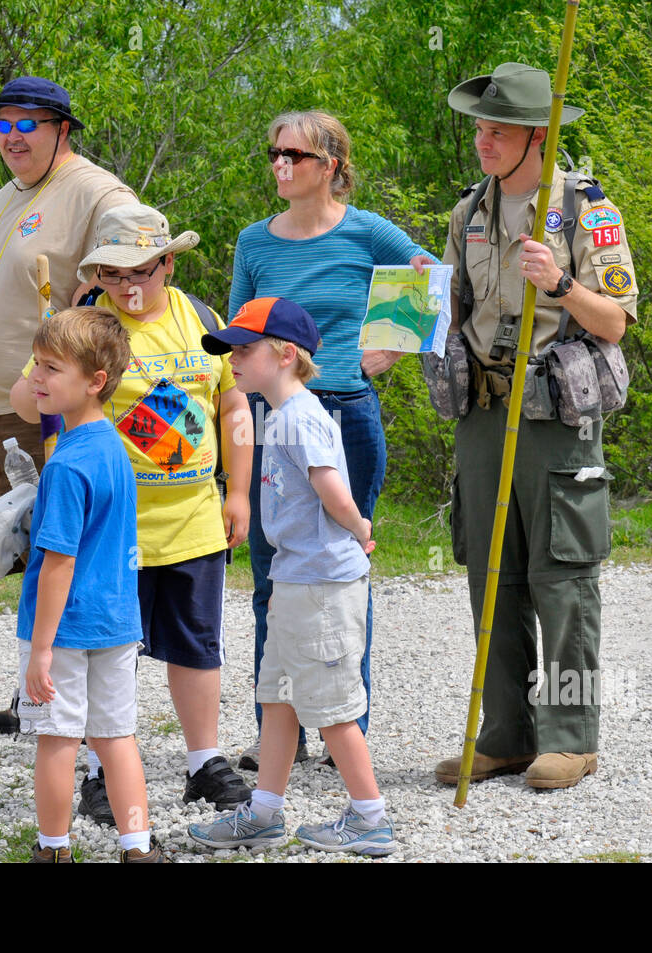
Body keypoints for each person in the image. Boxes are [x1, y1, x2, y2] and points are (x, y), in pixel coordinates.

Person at [12, 205, 255, 820]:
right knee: (105, 646)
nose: (128, 286)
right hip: (111, 530)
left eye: (141, 271)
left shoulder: (201, 319)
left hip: (194, 517)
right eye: (114, 274)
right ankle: (98, 767)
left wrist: (239, 492)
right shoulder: (86, 329)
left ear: (168, 263)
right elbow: (25, 397)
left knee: (197, 645)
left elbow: (232, 410)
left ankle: (204, 762)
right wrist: (49, 344)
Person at [433, 63, 638, 790]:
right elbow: (448, 311)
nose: (482, 141)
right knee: (493, 575)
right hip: (485, 411)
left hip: (555, 412)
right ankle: (508, 734)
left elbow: (615, 323)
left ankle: (572, 738)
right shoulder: (468, 213)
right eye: (480, 127)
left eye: (497, 130)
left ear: (537, 136)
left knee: (563, 574)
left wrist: (561, 284)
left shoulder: (585, 209)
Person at [0, 75, 136, 733]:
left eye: (27, 125)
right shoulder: (4, 197)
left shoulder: (93, 191)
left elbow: (136, 245)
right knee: (8, 548)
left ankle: (48, 685)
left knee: (51, 547)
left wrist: (87, 316)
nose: (12, 137)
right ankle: (34, 678)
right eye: (3, 126)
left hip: (40, 406)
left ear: (61, 129)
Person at [228, 110, 436, 766]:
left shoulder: (366, 229)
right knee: (272, 576)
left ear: (333, 168)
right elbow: (236, 341)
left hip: (345, 415)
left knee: (339, 576)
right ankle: (276, 738)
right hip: (270, 425)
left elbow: (430, 275)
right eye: (274, 154)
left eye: (295, 154)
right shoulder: (252, 243)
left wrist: (394, 345)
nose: (281, 164)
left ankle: (347, 734)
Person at [189, 298, 394, 856]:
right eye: (231, 350)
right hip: (296, 578)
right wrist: (280, 585)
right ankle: (263, 813)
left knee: (330, 707)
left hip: (322, 584)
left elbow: (331, 489)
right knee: (278, 698)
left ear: (284, 354)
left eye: (244, 350)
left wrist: (359, 526)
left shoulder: (302, 417)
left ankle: (370, 816)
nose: (233, 359)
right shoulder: (280, 414)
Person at [17, 306, 159, 863]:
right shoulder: (115, 449)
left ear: (95, 382)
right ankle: (137, 847)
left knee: (57, 739)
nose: (36, 379)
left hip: (66, 629)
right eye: (36, 364)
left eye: (52, 368)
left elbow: (58, 564)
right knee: (117, 737)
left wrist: (42, 651)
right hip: (118, 622)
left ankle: (52, 849)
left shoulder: (66, 465)